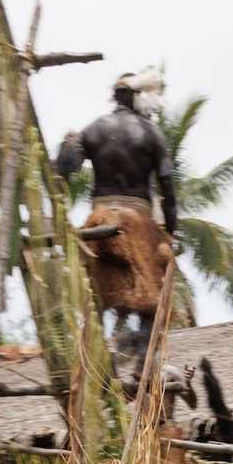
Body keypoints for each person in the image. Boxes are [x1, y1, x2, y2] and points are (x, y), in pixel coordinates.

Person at [55, 73, 178, 348]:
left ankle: (100, 353)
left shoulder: (93, 130)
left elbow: (64, 167)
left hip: (98, 223)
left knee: (97, 298)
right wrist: (170, 230)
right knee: (151, 299)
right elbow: (168, 186)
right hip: (139, 224)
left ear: (115, 97)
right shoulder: (151, 133)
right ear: (137, 97)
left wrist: (68, 144)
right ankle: (141, 360)